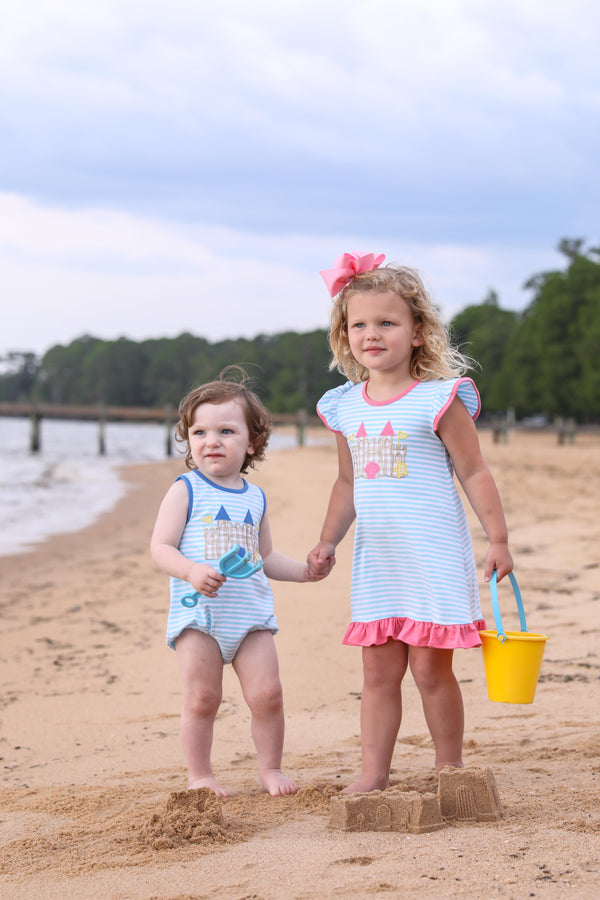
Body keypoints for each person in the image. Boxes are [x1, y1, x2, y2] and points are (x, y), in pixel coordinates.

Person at [307, 252, 513, 794]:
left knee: (429, 670)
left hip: (433, 557)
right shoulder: (344, 407)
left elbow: (474, 472)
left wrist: (498, 539)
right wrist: (328, 541)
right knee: (377, 674)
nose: (372, 334)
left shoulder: (439, 399)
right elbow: (348, 484)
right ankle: (373, 775)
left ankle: (450, 771)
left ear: (418, 332)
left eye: (387, 323)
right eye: (359, 325)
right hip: (379, 562)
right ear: (343, 335)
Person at [151, 370, 324, 797]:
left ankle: (270, 768)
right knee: (203, 699)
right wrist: (191, 570)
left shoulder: (255, 496)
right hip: (200, 616)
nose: (212, 440)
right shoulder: (185, 490)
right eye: (200, 431)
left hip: (251, 617)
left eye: (226, 431)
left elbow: (264, 559)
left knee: (268, 695)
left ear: (251, 442)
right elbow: (160, 547)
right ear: (188, 439)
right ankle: (201, 775)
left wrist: (304, 571)